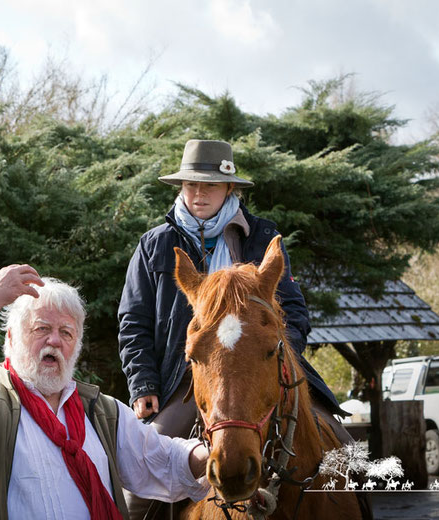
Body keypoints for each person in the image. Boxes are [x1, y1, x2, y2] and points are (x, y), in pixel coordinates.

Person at [118, 139, 352, 518]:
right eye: (191, 184)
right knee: (141, 486)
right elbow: (134, 321)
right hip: (187, 379)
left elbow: (293, 309)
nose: (198, 193)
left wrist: (273, 357)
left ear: (230, 187)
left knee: (346, 449)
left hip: (264, 369)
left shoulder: (263, 236)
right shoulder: (153, 245)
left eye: (209, 184)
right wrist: (143, 383)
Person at [0, 261, 210, 520]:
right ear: (10, 338)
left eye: (66, 333)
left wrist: (217, 456)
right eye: (41, 329)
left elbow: (164, 459)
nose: (55, 341)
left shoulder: (102, 412)